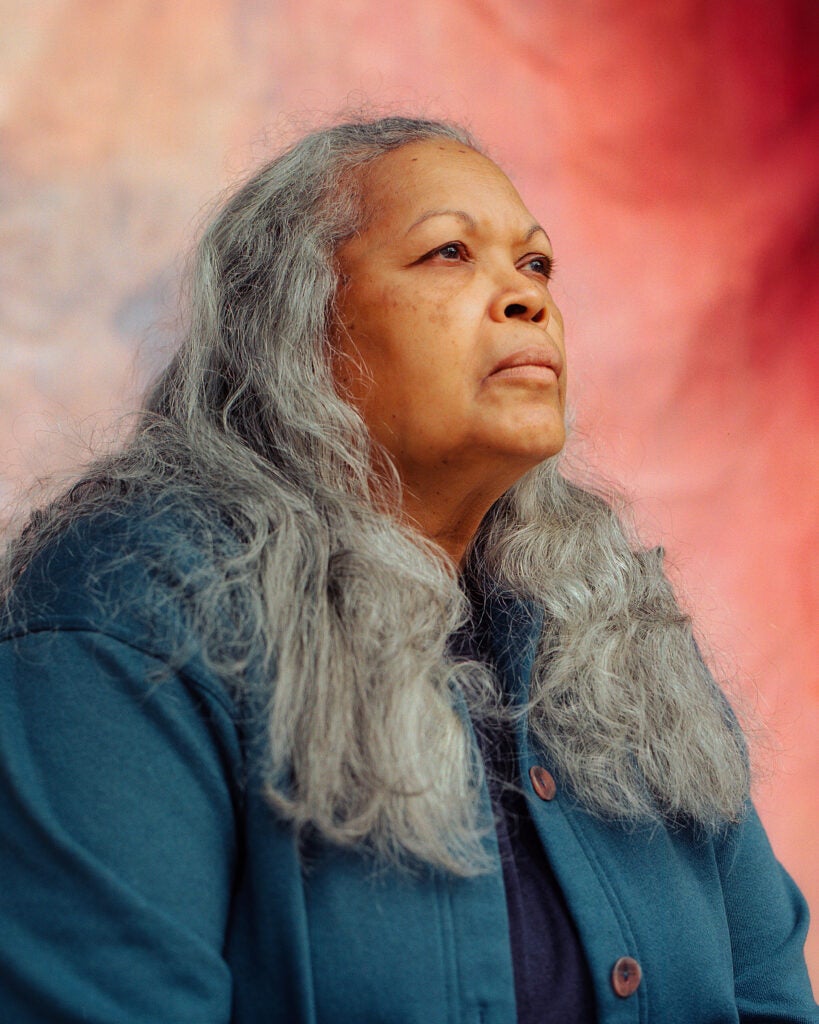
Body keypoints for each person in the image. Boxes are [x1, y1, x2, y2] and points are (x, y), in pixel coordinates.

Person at [0, 116, 815, 1023]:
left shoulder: (619, 625)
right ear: (297, 328)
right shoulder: (125, 609)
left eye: (536, 265)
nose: (525, 297)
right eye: (448, 254)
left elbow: (769, 999)